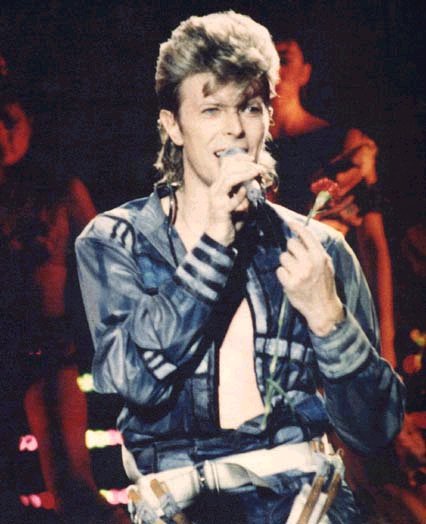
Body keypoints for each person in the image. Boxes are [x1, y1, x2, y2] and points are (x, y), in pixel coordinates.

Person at [76, 12, 405, 524]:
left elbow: (376, 429)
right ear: (172, 125)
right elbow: (136, 381)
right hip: (180, 503)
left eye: (249, 108)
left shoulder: (320, 249)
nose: (233, 128)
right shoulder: (117, 240)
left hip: (306, 502)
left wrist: (329, 320)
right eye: (211, 109)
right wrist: (213, 243)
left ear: (268, 118)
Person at [0, 60, 130, 523]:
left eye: (11, 121)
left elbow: (113, 276)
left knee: (74, 491)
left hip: (44, 354)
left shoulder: (58, 192)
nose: (2, 134)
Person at [270, 39, 397, 368]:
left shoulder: (343, 145)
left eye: (283, 58)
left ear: (305, 72)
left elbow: (372, 244)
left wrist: (386, 343)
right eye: (264, 55)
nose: (273, 66)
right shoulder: (237, 147)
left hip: (321, 316)